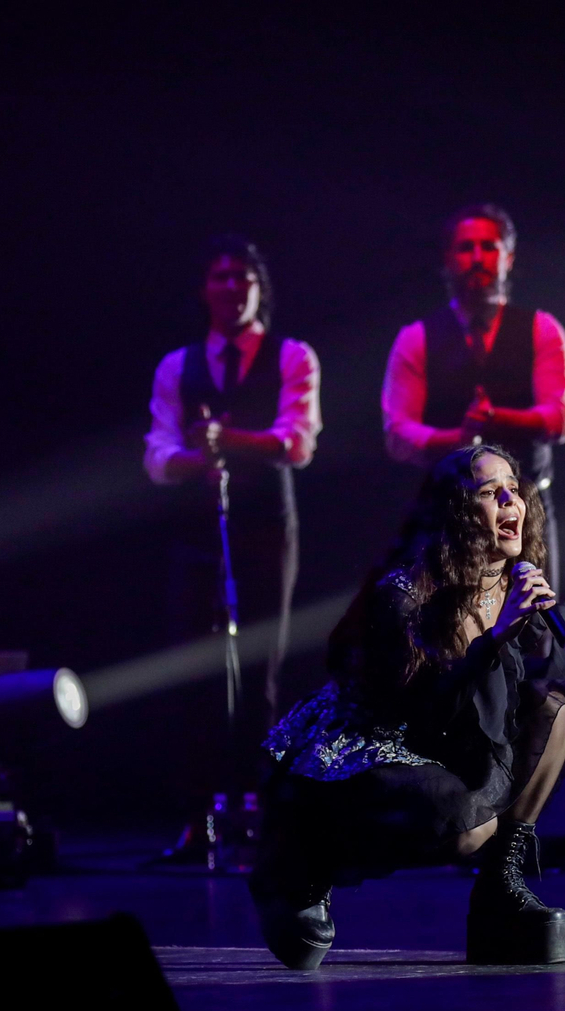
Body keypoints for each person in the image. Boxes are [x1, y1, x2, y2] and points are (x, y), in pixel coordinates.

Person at [250, 445, 565, 970]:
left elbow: (560, 637)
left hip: (443, 736)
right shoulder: (406, 592)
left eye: (514, 488)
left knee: (554, 706)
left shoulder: (506, 585)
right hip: (369, 747)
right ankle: (311, 863)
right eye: (491, 492)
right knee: (464, 825)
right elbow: (418, 707)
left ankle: (500, 890)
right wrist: (492, 640)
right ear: (456, 509)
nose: (510, 500)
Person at [145, 235, 321, 785]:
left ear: (258, 288)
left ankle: (258, 802)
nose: (231, 287)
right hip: (196, 527)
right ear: (205, 290)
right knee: (196, 667)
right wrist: (198, 461)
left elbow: (297, 443)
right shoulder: (177, 365)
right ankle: (202, 812)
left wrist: (227, 440)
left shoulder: (293, 355)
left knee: (261, 667)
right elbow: (157, 454)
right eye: (220, 277)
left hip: (266, 523)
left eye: (242, 277)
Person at [382, 204, 565, 587]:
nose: (477, 258)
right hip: (447, 513)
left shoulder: (542, 329)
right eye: (465, 248)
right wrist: (458, 438)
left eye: (488, 247)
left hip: (526, 510)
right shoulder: (416, 338)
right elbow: (398, 434)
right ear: (448, 259)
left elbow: (559, 419)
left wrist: (494, 420)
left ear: (509, 256)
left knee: (534, 628)